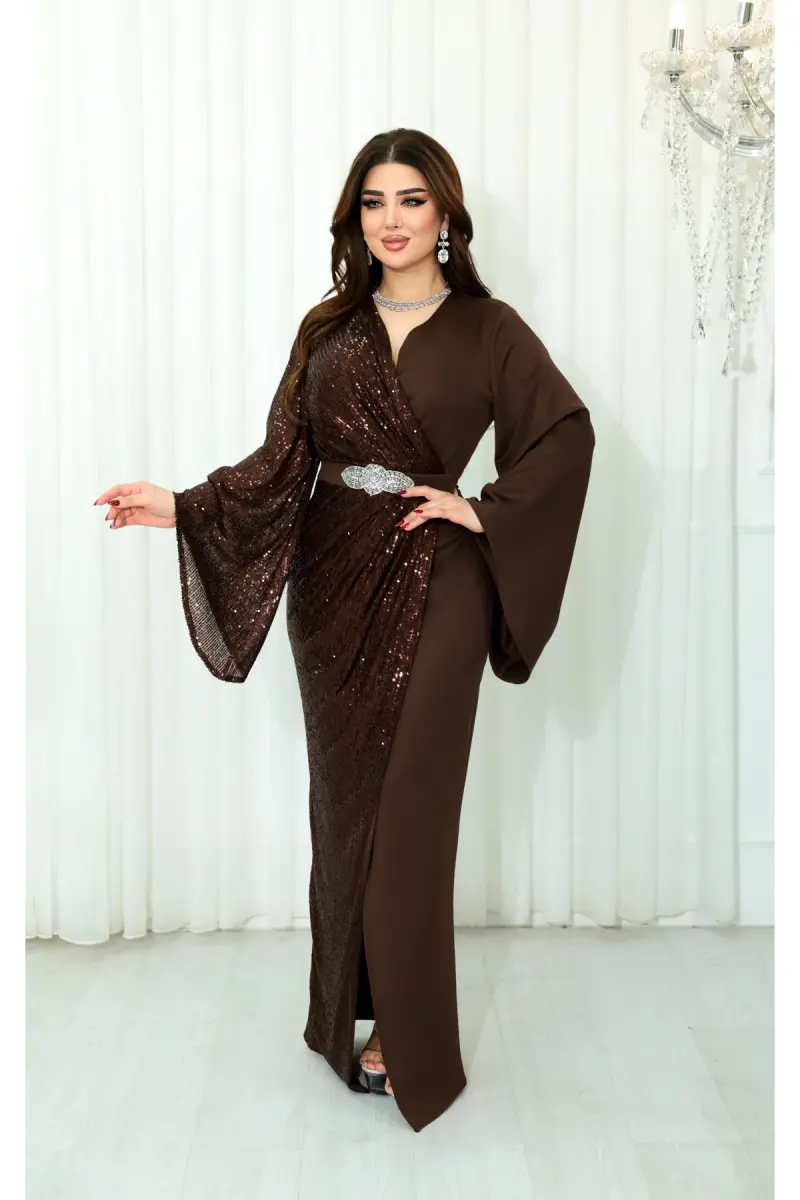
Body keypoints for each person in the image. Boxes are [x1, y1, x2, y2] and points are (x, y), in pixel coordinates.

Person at [94, 128, 595, 1133]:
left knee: (410, 810)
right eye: (373, 202)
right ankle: (352, 1012)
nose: (392, 220)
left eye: (411, 200)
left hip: (439, 581)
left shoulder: (490, 329)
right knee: (346, 809)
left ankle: (411, 1041)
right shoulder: (328, 329)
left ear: (444, 215)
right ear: (353, 218)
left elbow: (564, 434)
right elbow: (282, 463)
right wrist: (183, 505)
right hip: (331, 592)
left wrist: (480, 509)